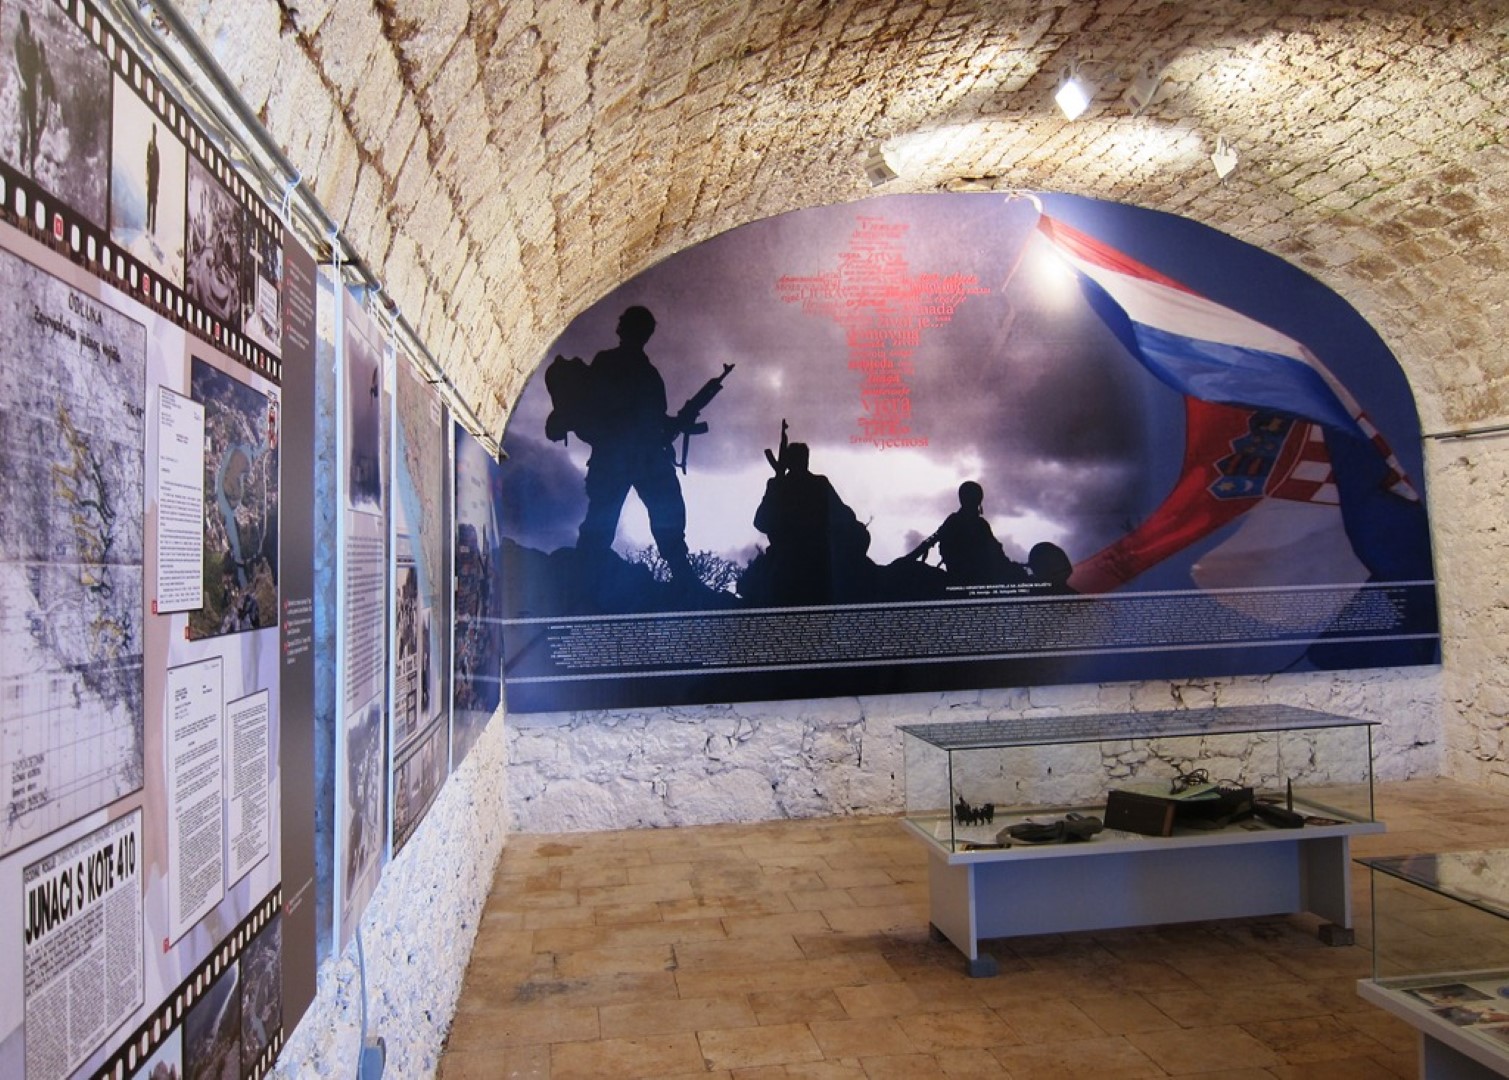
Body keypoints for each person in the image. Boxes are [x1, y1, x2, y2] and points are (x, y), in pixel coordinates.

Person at [565, 306, 695, 584]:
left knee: (619, 519)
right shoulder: (637, 371)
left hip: (626, 457)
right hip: (629, 456)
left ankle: (584, 580)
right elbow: (611, 408)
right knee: (610, 521)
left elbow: (652, 417)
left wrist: (676, 422)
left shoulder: (627, 368)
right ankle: (584, 581)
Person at [753, 441, 870, 605]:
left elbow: (761, 523)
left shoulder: (801, 484)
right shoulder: (815, 484)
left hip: (799, 564)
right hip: (803, 564)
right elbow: (761, 522)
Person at [909, 481, 1025, 587]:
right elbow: (995, 553)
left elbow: (995, 551)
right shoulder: (978, 525)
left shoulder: (957, 521)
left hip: (964, 575)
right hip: (972, 577)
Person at [13, 11, 50, 177]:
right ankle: (21, 162)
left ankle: (32, 167)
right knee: (24, 131)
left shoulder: (34, 42)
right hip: (23, 89)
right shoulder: (18, 37)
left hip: (33, 90)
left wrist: (39, 76)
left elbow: (39, 68)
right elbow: (15, 59)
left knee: (34, 130)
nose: (26, 30)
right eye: (24, 26)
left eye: (27, 27)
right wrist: (21, 80)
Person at [145, 124, 161, 233]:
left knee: (153, 204)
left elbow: (158, 168)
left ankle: (153, 229)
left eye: (154, 132)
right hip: (150, 179)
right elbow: (147, 162)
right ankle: (148, 225)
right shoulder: (150, 145)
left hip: (154, 181)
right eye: (153, 131)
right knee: (149, 203)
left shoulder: (157, 150)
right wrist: (147, 176)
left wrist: (156, 181)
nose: (153, 134)